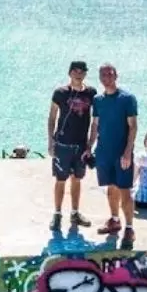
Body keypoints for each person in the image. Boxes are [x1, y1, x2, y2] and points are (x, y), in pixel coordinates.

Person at [86, 64, 138, 246]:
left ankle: (130, 229)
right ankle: (114, 220)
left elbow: (133, 126)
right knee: (110, 188)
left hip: (121, 153)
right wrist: (89, 146)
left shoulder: (127, 99)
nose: (107, 77)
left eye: (110, 73)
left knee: (125, 190)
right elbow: (95, 125)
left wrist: (127, 152)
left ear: (116, 76)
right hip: (103, 152)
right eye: (103, 74)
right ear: (100, 77)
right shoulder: (98, 100)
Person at [47, 61, 96, 231]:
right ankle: (57, 214)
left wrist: (91, 144)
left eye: (82, 71)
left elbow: (96, 121)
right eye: (75, 71)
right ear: (70, 73)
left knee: (77, 179)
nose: (78, 74)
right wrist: (50, 142)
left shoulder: (91, 93)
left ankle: (75, 213)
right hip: (62, 144)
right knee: (60, 180)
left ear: (85, 74)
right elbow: (52, 117)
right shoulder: (60, 93)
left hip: (81, 145)